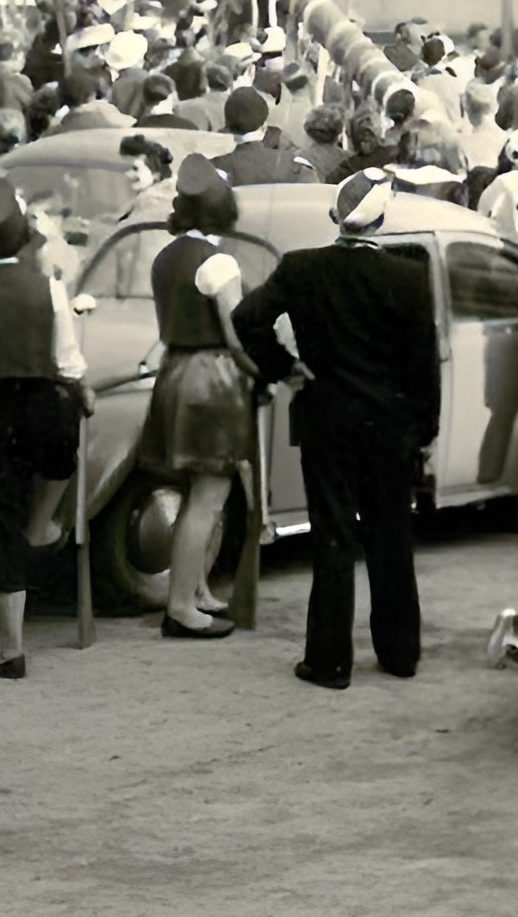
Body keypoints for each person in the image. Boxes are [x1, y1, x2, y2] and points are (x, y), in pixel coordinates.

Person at [232, 169, 439, 689]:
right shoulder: (409, 276)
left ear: (334, 219)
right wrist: (425, 428)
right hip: (390, 424)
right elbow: (423, 364)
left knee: (334, 537)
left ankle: (329, 660)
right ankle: (399, 651)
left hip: (327, 416)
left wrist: (285, 367)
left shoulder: (302, 269)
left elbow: (246, 318)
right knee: (391, 536)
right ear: (383, 219)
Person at [0, 182, 89, 679]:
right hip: (40, 409)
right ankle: (45, 525)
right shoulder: (48, 287)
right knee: (24, 508)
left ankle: (8, 646)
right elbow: (68, 364)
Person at [140, 155, 254, 638]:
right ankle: (182, 605)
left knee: (195, 493)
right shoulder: (219, 260)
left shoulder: (166, 255)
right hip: (211, 377)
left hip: (175, 370)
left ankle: (197, 590)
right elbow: (237, 332)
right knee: (209, 495)